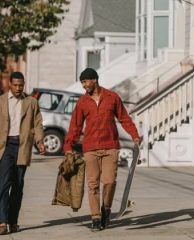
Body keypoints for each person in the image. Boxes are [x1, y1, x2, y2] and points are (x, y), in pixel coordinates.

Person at [63, 68, 140, 231]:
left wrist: (134, 135)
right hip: (90, 148)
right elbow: (75, 126)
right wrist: (69, 145)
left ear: (94, 80)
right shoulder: (82, 102)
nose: (83, 86)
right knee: (92, 184)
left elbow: (124, 118)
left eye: (85, 82)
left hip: (111, 146)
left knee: (109, 182)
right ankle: (95, 218)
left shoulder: (112, 97)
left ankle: (106, 209)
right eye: (82, 82)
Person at [0, 71, 46, 235]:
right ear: (9, 84)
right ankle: (2, 222)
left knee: (18, 185)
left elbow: (38, 123)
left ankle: (13, 221)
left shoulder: (31, 102)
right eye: (15, 85)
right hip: (4, 147)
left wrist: (40, 141)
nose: (18, 88)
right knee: (4, 183)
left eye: (21, 85)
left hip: (22, 146)